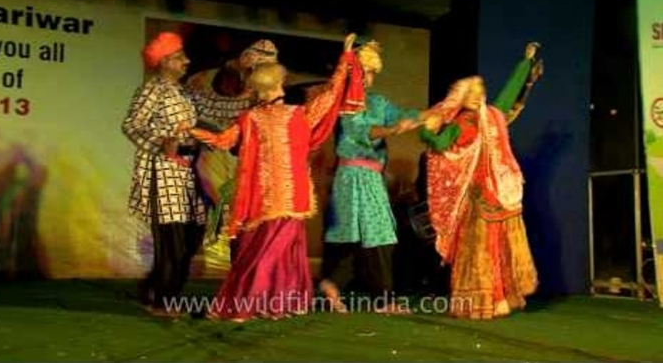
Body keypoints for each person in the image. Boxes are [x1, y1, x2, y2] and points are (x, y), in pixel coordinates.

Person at [188, 33, 358, 321]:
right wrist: (345, 60)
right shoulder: (297, 115)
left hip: (267, 198)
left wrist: (191, 130)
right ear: (279, 84)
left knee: (267, 252)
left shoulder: (253, 118)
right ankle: (256, 305)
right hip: (288, 196)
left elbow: (221, 140)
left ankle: (269, 305)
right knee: (271, 253)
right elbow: (331, 94)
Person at [419, 44, 543, 319]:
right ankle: (486, 300)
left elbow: (509, 94)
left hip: (501, 191)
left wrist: (525, 63)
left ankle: (504, 297)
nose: (476, 98)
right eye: (471, 94)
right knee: (481, 251)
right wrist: (428, 134)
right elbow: (440, 143)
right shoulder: (461, 125)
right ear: (461, 98)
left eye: (479, 93)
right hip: (478, 197)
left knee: (501, 245)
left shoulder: (494, 116)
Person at [319, 40, 427, 314]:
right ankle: (382, 299)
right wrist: (392, 130)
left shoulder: (377, 101)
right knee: (371, 235)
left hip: (371, 178)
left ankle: (333, 284)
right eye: (364, 71)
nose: (368, 78)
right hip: (353, 175)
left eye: (371, 73)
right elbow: (361, 131)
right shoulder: (344, 103)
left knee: (367, 236)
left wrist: (427, 115)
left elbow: (400, 114)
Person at [121, 32, 206, 317]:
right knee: (173, 240)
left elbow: (213, 110)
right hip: (164, 170)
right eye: (181, 57)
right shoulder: (152, 89)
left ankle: (153, 288)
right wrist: (162, 141)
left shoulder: (184, 91)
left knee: (192, 236)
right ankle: (163, 300)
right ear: (164, 61)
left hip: (188, 172)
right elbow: (132, 126)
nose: (187, 61)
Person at [187, 40, 279, 266]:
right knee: (202, 217)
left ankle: (242, 273)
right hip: (208, 158)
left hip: (242, 163)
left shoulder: (261, 92)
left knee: (243, 223)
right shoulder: (201, 82)